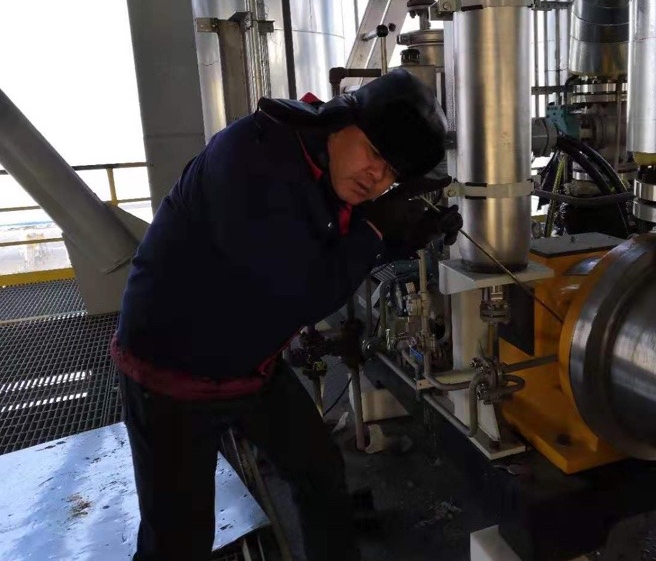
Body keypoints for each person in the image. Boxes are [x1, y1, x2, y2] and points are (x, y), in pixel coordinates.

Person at [111, 68, 461, 561]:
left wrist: (399, 236)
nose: (376, 176)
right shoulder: (253, 158)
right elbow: (298, 290)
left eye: (391, 174)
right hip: (171, 375)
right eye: (374, 153)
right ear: (340, 119)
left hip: (248, 365)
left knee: (320, 474)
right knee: (179, 540)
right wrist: (376, 232)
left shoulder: (324, 168)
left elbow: (325, 247)